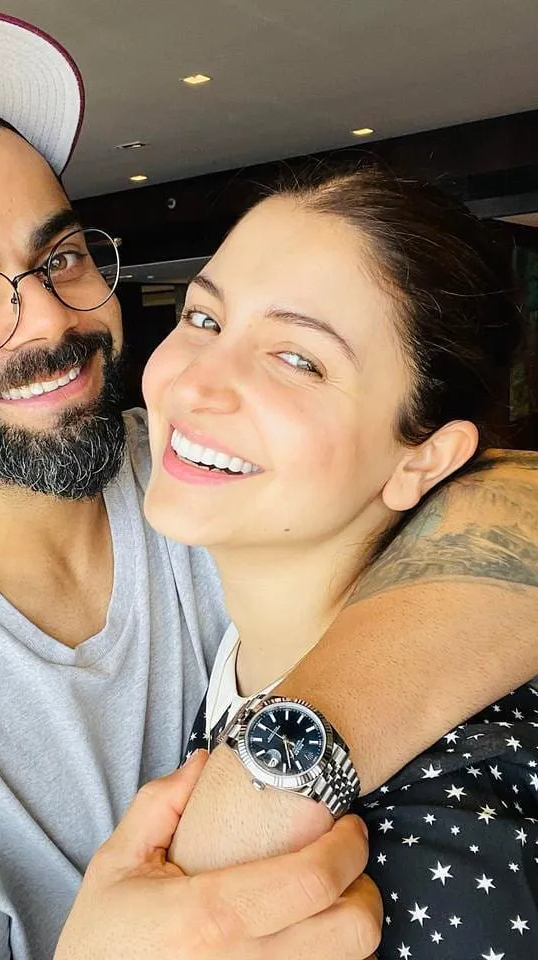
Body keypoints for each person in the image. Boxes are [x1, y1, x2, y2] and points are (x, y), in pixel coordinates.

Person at [0, 9, 536, 960]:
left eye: (59, 257)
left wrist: (268, 775)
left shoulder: (212, 466)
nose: (48, 319)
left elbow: (509, 501)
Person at [138, 166, 538, 957]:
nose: (197, 382)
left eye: (299, 359)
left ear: (423, 459)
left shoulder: (450, 828)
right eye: (204, 317)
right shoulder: (262, 644)